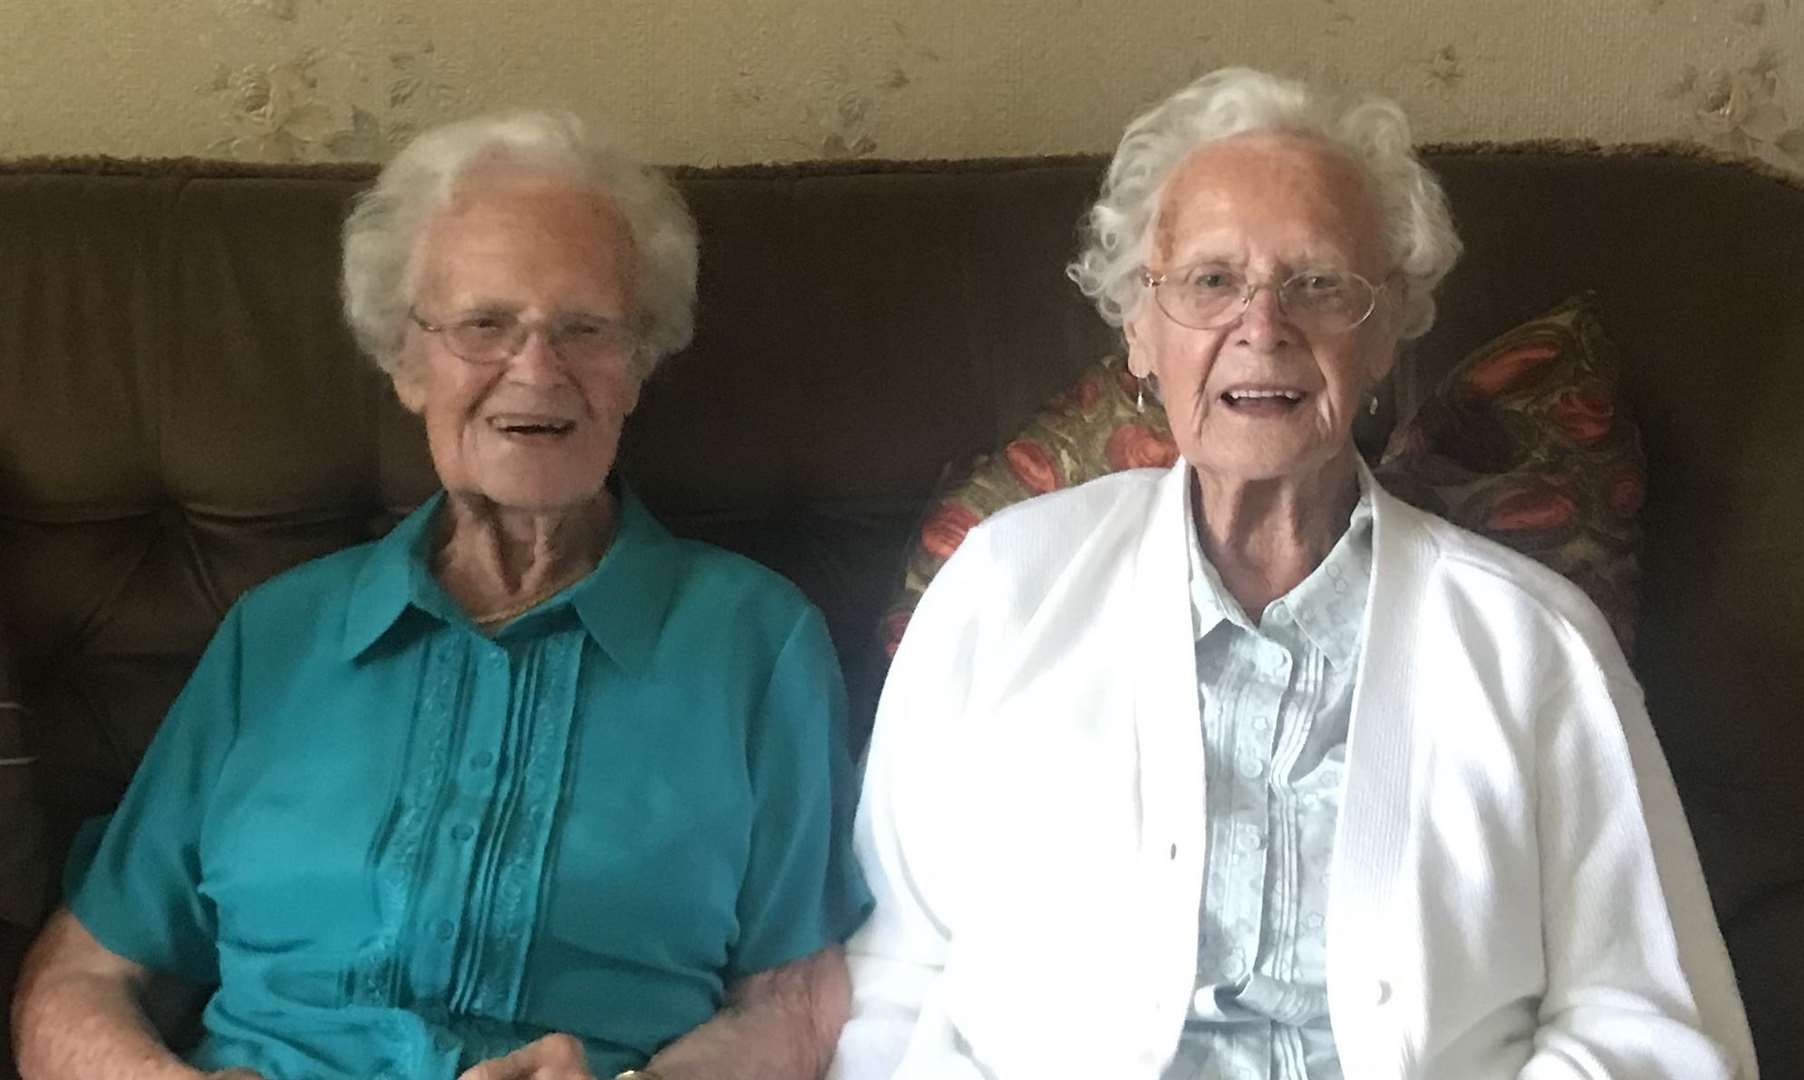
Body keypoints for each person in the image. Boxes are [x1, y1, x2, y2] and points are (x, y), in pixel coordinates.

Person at [831, 68, 1757, 1079]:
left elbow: (1651, 1025)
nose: (1261, 327)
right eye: (1210, 281)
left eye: (1318, 283)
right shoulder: (1003, 590)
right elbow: (899, 975)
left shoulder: (1533, 642)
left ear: (1387, 327)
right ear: (1138, 328)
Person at [13, 111, 870, 1080]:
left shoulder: (753, 643)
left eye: (586, 328)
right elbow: (75, 979)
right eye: (483, 325)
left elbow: (799, 1002)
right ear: (407, 361)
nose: (537, 370)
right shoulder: (279, 638)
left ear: (638, 365)